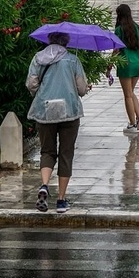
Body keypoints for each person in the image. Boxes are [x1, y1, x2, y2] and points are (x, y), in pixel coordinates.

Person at [26, 31, 89, 213]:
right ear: (66, 43)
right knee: (66, 154)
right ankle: (61, 200)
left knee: (47, 150)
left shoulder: (38, 58)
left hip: (45, 111)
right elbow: (82, 89)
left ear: (49, 40)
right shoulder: (72, 60)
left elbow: (31, 84)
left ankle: (44, 185)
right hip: (69, 112)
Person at [109, 4, 139, 133]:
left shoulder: (119, 30)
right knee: (131, 92)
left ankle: (132, 125)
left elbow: (116, 50)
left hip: (126, 65)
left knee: (127, 95)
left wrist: (109, 67)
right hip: (138, 64)